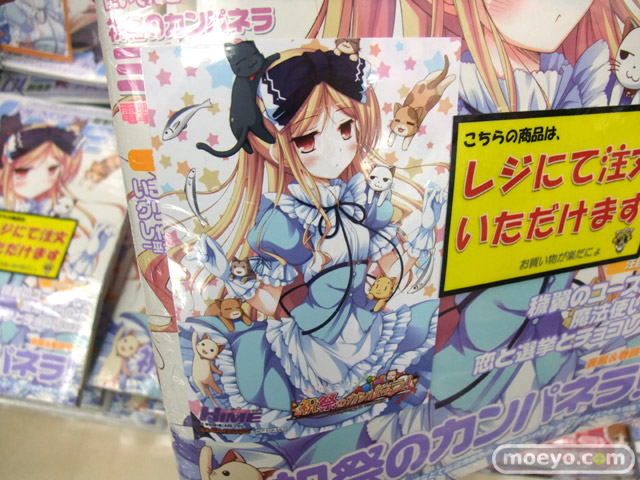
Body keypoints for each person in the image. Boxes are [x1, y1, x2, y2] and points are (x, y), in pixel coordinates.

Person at [182, 46, 446, 436]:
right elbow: (277, 302)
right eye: (307, 138)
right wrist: (230, 275)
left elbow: (386, 268)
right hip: (314, 349)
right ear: (270, 144)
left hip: (367, 330)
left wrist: (424, 231)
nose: (336, 149)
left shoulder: (359, 199)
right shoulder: (285, 223)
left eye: (346, 129)